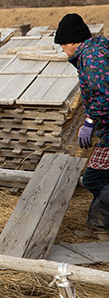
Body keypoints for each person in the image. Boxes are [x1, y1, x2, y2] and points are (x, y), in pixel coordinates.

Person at [54, 13, 109, 241]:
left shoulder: (92, 58)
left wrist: (89, 121)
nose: (62, 50)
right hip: (106, 129)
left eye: (62, 45)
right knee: (99, 177)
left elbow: (105, 95)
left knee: (94, 179)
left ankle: (101, 226)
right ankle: (100, 226)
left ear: (72, 42)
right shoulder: (95, 51)